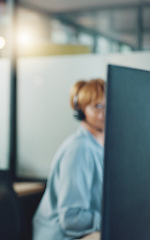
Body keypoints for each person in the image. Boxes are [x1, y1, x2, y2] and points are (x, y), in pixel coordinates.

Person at [32, 79, 106, 240]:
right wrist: (112, 220)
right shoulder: (80, 149)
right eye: (98, 106)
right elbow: (72, 218)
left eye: (108, 105)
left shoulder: (102, 147)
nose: (105, 112)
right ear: (81, 111)